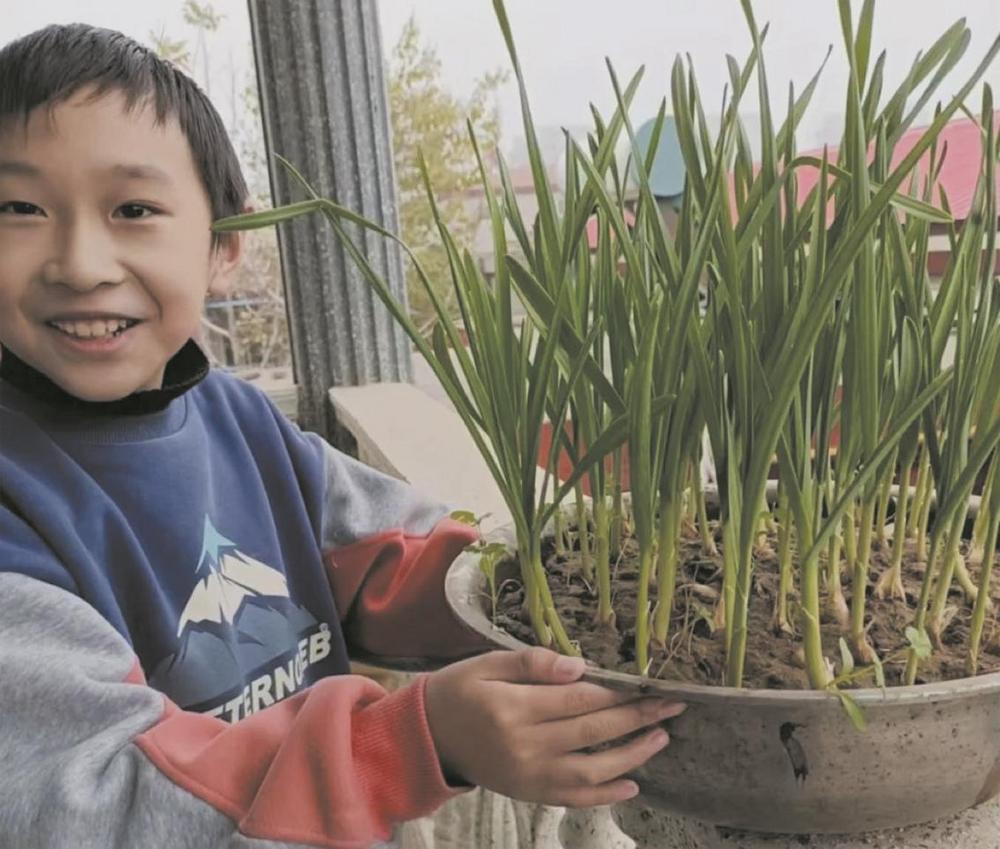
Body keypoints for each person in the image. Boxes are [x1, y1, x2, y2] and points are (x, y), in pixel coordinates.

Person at [0, 23, 684, 849]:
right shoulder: (17, 507)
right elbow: (100, 800)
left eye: (133, 209)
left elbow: (389, 557)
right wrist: (414, 743)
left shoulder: (241, 420)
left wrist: (554, 583)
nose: (79, 262)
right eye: (19, 208)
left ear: (224, 245)